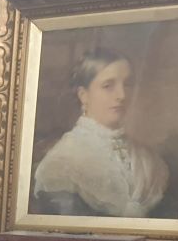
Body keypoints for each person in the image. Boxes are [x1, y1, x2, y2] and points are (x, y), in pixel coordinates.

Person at [30, 47, 169, 218]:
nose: (122, 95)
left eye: (127, 84)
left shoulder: (151, 160)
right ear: (83, 95)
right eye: (108, 86)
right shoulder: (61, 162)